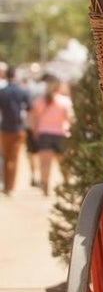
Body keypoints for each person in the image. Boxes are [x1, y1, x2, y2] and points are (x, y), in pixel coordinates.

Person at [28, 75, 74, 196]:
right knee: (64, 163)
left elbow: (33, 117)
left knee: (44, 163)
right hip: (61, 134)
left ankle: (45, 187)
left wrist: (35, 132)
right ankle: (66, 184)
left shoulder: (40, 101)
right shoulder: (65, 101)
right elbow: (70, 118)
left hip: (44, 134)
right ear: (59, 87)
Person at [0, 65, 32, 195]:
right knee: (14, 158)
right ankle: (11, 187)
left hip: (4, 128)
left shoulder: (2, 92)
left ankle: (6, 185)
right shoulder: (23, 91)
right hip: (18, 128)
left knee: (6, 157)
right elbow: (29, 107)